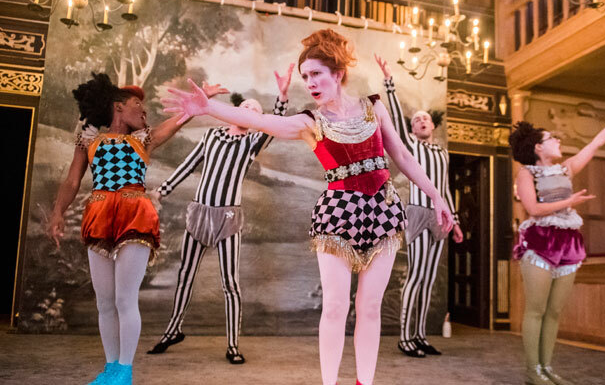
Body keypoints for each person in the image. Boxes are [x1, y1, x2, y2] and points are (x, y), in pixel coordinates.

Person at [162, 29, 454, 385]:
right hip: (337, 214)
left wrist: (437, 196)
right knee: (334, 307)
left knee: (370, 307)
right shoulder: (309, 122)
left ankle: (365, 382)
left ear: (338, 73)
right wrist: (208, 107)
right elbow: (263, 122)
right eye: (305, 76)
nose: (310, 82)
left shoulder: (374, 107)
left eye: (316, 73)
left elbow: (404, 156)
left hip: (384, 211)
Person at [47, 73, 227, 385]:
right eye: (136, 103)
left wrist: (198, 104)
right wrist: (57, 213)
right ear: (118, 107)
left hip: (134, 214)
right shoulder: (88, 140)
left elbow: (178, 121)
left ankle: (125, 370)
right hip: (100, 214)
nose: (144, 110)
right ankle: (111, 368)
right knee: (105, 301)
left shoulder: (145, 139)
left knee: (124, 299)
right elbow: (73, 181)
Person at [147, 66, 292, 364]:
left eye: (256, 112)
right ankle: (172, 330)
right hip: (199, 213)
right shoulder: (212, 136)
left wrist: (282, 95)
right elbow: (188, 165)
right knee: (185, 274)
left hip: (228, 218)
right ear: (237, 112)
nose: (250, 113)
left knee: (230, 282)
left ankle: (233, 345)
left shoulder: (251, 143)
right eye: (247, 108)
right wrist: (162, 190)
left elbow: (274, 125)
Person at [509, 94, 605, 385]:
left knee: (554, 312)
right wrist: (570, 200)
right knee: (537, 309)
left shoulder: (566, 168)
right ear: (538, 147)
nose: (558, 139)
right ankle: (533, 371)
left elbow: (596, 144)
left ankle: (547, 367)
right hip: (540, 241)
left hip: (568, 242)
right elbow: (533, 209)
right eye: (552, 137)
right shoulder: (526, 173)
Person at [375, 55, 464, 358]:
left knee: (429, 277)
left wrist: (455, 221)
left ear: (433, 125)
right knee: (415, 275)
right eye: (416, 121)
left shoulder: (442, 153)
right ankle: (404, 337)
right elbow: (397, 119)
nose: (420, 121)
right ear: (411, 129)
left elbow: (445, 189)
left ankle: (420, 334)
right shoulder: (409, 145)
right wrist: (389, 80)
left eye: (425, 119)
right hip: (416, 212)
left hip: (440, 216)